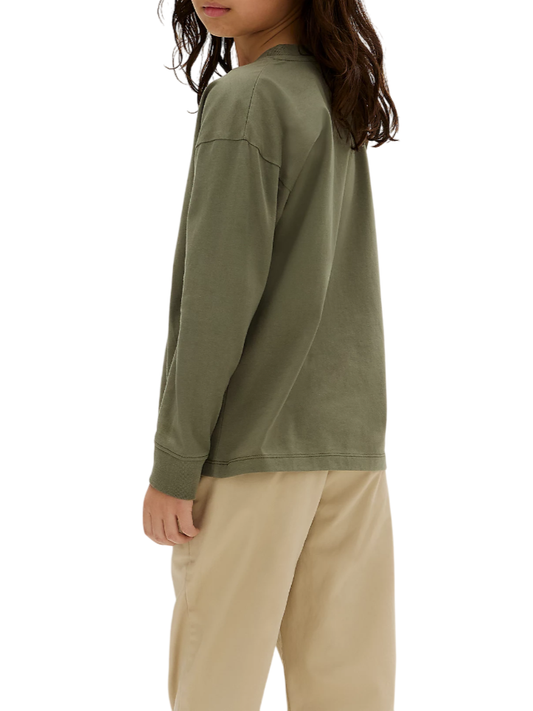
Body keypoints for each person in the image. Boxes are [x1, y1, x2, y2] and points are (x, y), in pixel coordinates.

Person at [142, 0, 399, 709]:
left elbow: (215, 307)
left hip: (253, 452)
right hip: (349, 449)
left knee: (215, 687)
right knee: (347, 688)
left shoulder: (249, 99)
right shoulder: (333, 93)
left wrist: (174, 465)